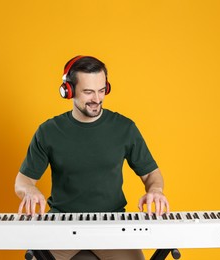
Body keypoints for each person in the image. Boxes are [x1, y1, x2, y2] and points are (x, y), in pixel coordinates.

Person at [15, 55, 170, 260]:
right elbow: (22, 181)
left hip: (112, 226)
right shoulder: (48, 131)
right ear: (68, 91)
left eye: (101, 90)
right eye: (88, 92)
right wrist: (29, 191)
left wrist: (156, 191)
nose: (97, 99)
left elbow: (151, 173)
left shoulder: (124, 128)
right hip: (61, 225)